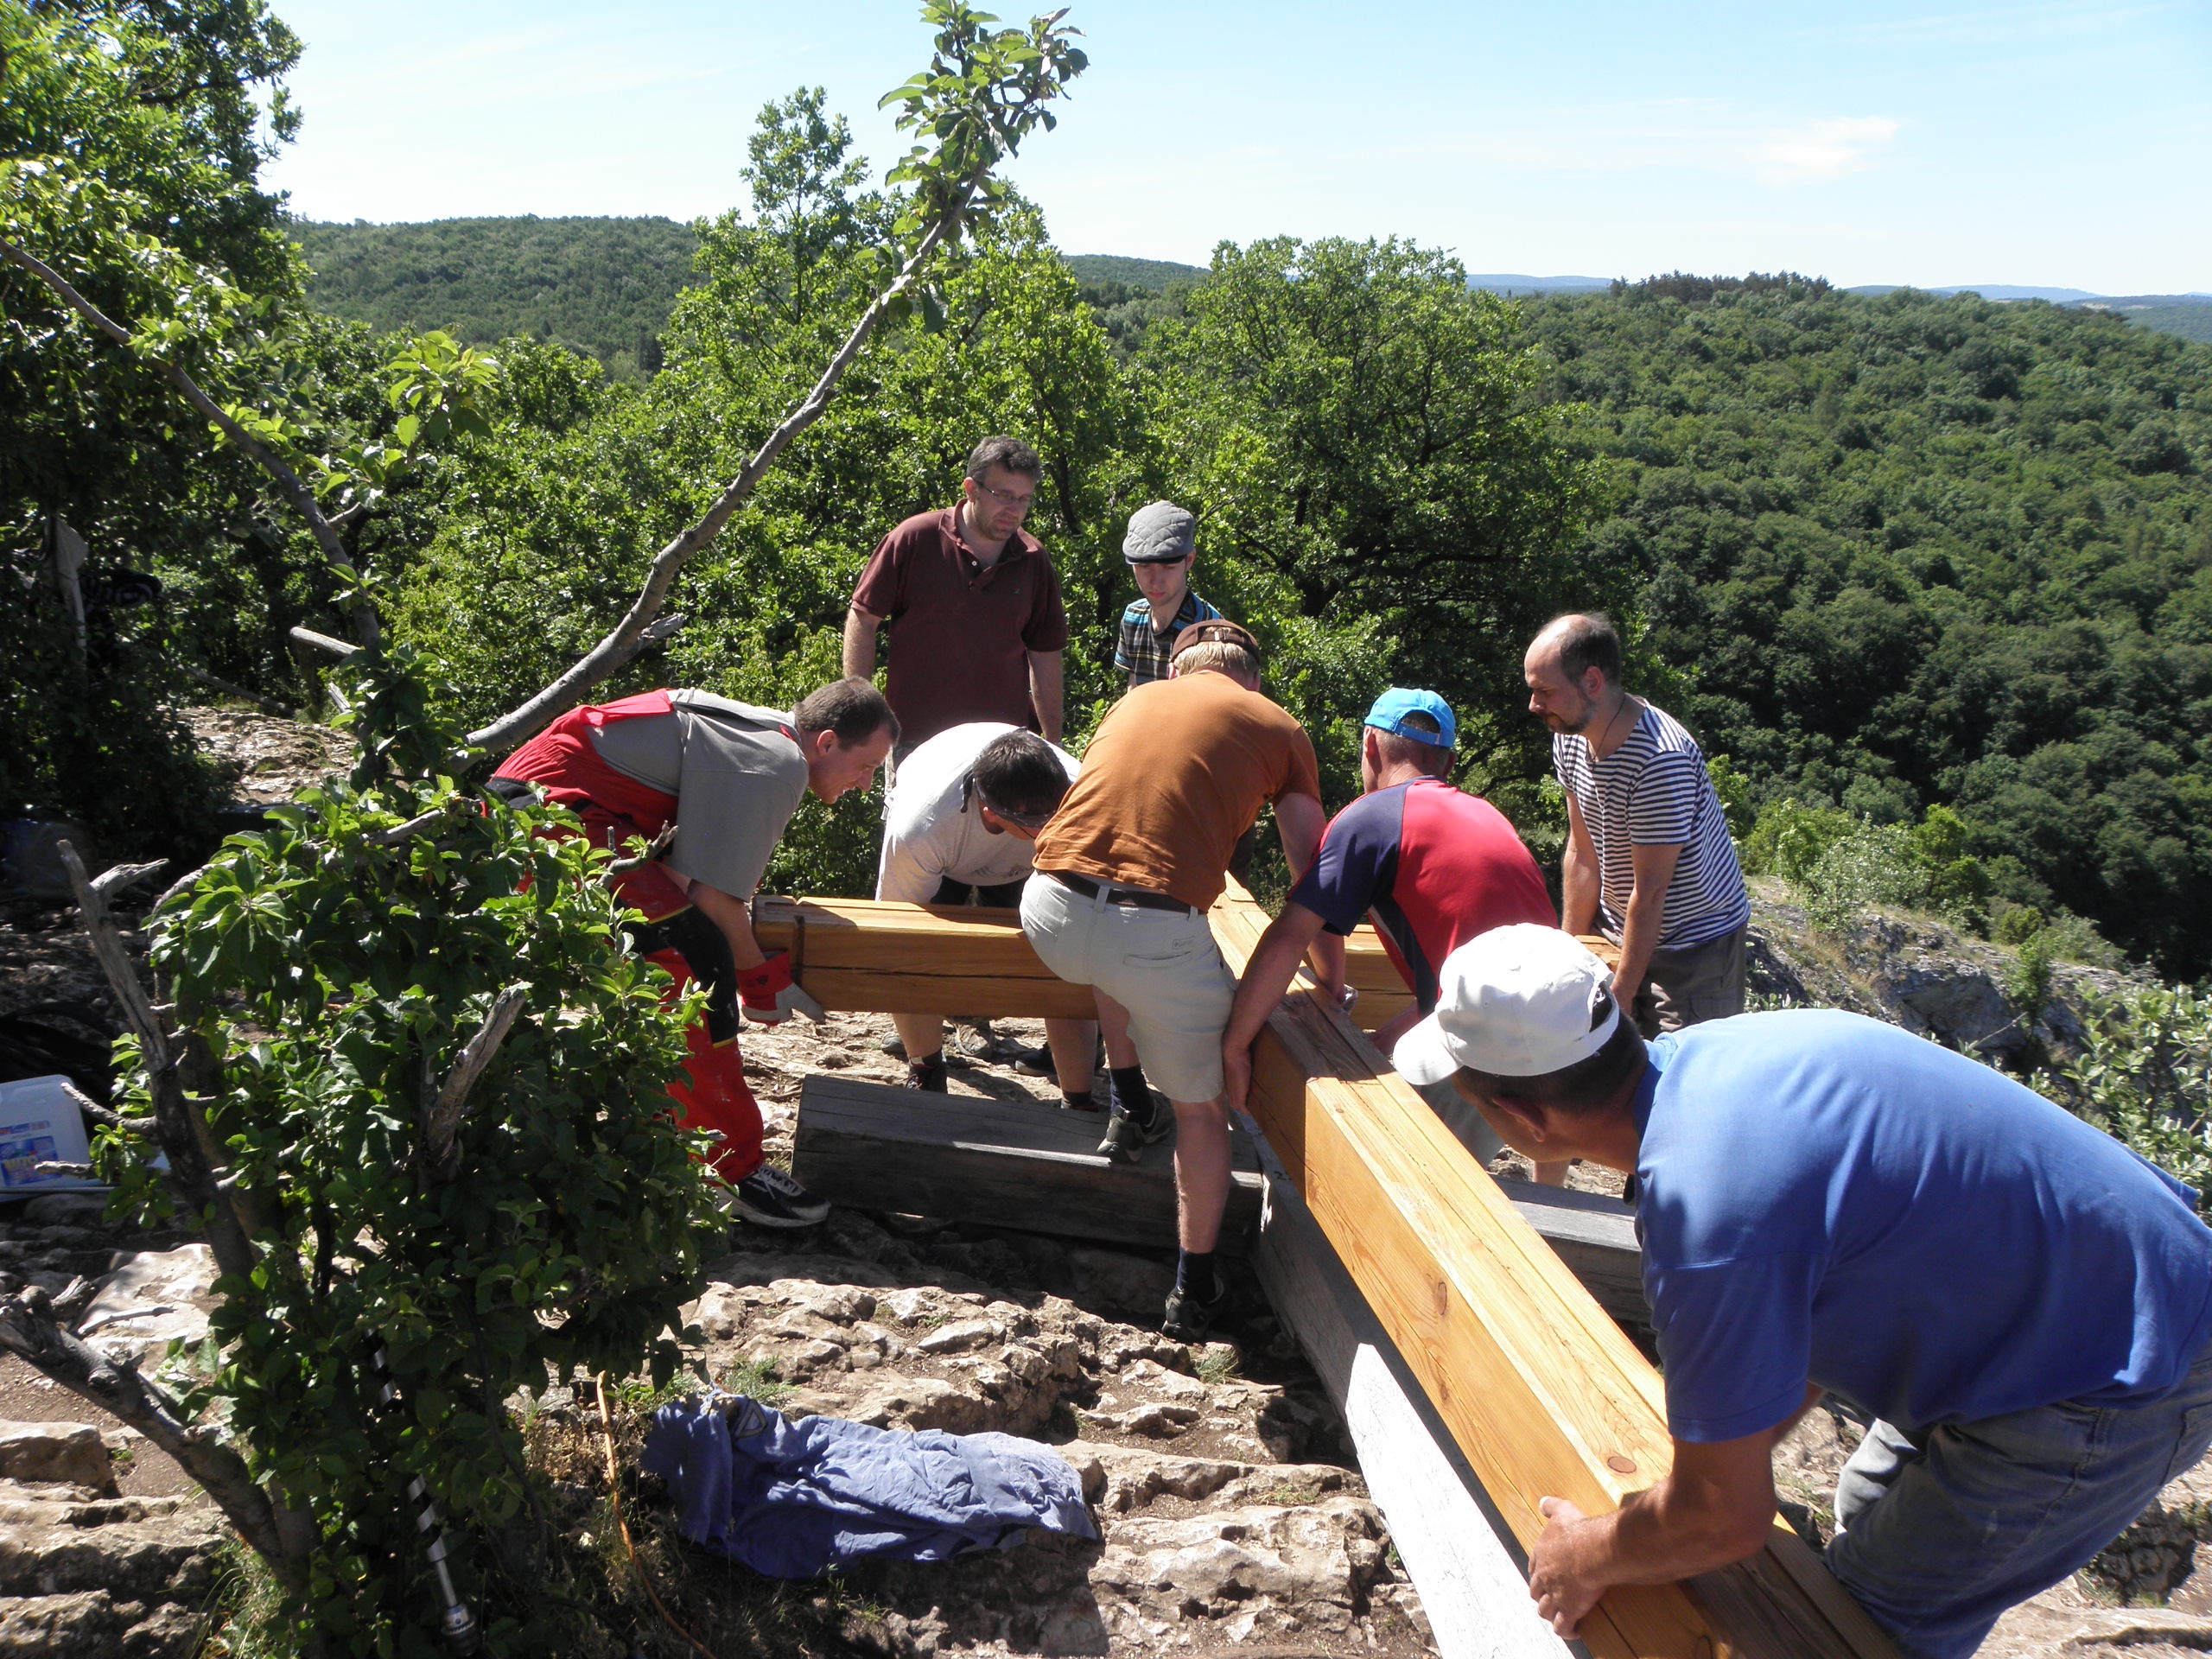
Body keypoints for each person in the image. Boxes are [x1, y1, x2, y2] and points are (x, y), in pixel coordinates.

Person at [1396, 924, 2212, 1659]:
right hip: (2097, 1283)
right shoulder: (1723, 1055)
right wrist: (1707, 1464)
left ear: (1525, 1120)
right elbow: (1818, 1286)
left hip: (2122, 1366)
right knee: (1861, 1498)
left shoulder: (1709, 1214)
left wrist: (1588, 1554)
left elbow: (1728, 1520)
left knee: (1860, 1625)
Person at [489, 680, 897, 1229]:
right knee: (694, 967)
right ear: (825, 742)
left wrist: (740, 964)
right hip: (545, 817)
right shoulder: (777, 763)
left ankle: (665, 1135)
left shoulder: (764, 738)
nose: (866, 783)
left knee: (682, 948)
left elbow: (692, 885)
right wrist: (759, 981)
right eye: (867, 766)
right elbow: (716, 900)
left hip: (557, 808)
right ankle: (729, 1171)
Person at [1021, 620, 1326, 1342]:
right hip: (1147, 934)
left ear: (1183, 670)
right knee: (1205, 1110)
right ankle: (1194, 1289)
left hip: (1047, 912)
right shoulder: (1278, 727)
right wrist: (1327, 975)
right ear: (1250, 680)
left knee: (1109, 960)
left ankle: (1129, 1102)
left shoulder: (1133, 702)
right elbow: (1314, 866)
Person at [1218, 688, 1565, 1182]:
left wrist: (1234, 1045)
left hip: (1488, 1044)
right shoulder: (1490, 820)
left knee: (1414, 1189)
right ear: (1446, 764)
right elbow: (1474, 969)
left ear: (1370, 748)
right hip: (1565, 1036)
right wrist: (1384, 1038)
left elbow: (1290, 936)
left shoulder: (1374, 819)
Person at [1523, 612, 1749, 1037]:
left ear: (1592, 682)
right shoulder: (1569, 735)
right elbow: (1581, 850)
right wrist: (1570, 959)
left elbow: (1651, 892)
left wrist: (1621, 992)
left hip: (1692, 947)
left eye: (1545, 691)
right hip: (1618, 926)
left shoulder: (1659, 761)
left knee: (1680, 1070)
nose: (1534, 706)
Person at [875, 722, 1098, 1108]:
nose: (1051, 829)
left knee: (1074, 948)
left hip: (1026, 863)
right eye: (1036, 823)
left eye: (1056, 815)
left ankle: (1078, 1089)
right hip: (945, 857)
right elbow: (897, 934)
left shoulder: (1084, 796)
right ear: (990, 813)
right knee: (916, 955)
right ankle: (926, 1068)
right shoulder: (922, 826)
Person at [843, 435, 1067, 753]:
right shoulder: (915, 538)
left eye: (1023, 499)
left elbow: (1045, 655)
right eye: (1003, 495)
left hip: (1002, 747)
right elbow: (863, 619)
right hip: (916, 741)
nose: (1013, 509)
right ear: (971, 489)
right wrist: (860, 711)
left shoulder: (1033, 558)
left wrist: (1053, 743)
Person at [1113, 500, 1223, 690]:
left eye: (1168, 567)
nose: (1155, 581)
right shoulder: (1133, 617)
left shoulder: (1207, 628)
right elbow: (1134, 689)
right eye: (1144, 566)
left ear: (1189, 560)